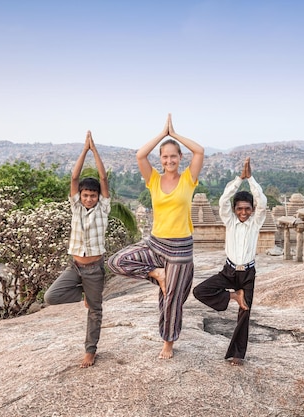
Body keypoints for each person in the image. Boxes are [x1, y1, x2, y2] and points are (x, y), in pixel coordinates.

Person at [108, 113, 204, 359]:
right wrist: (163, 134)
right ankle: (155, 273)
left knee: (171, 298)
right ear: (160, 160)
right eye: (165, 156)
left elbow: (200, 151)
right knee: (116, 261)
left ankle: (168, 343)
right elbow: (140, 155)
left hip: (181, 249)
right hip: (155, 243)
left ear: (180, 158)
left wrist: (175, 135)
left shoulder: (188, 179)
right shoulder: (153, 179)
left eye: (174, 156)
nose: (169, 160)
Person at [44, 130, 111, 368]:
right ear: (80, 195)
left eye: (92, 196)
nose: (89, 199)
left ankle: (90, 351)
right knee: (51, 296)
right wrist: (84, 150)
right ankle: (85, 294)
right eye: (85, 195)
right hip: (75, 266)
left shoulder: (103, 209)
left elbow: (104, 180)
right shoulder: (76, 207)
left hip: (94, 269)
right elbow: (74, 178)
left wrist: (96, 152)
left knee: (95, 311)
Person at [193, 157, 267, 366]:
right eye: (239, 209)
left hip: (248, 274)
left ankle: (237, 354)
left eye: (247, 209)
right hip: (229, 271)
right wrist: (239, 179)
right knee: (200, 291)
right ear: (234, 210)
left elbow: (262, 201)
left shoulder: (255, 223)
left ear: (252, 210)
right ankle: (234, 295)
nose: (243, 212)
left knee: (245, 314)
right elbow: (223, 200)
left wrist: (251, 179)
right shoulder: (230, 221)